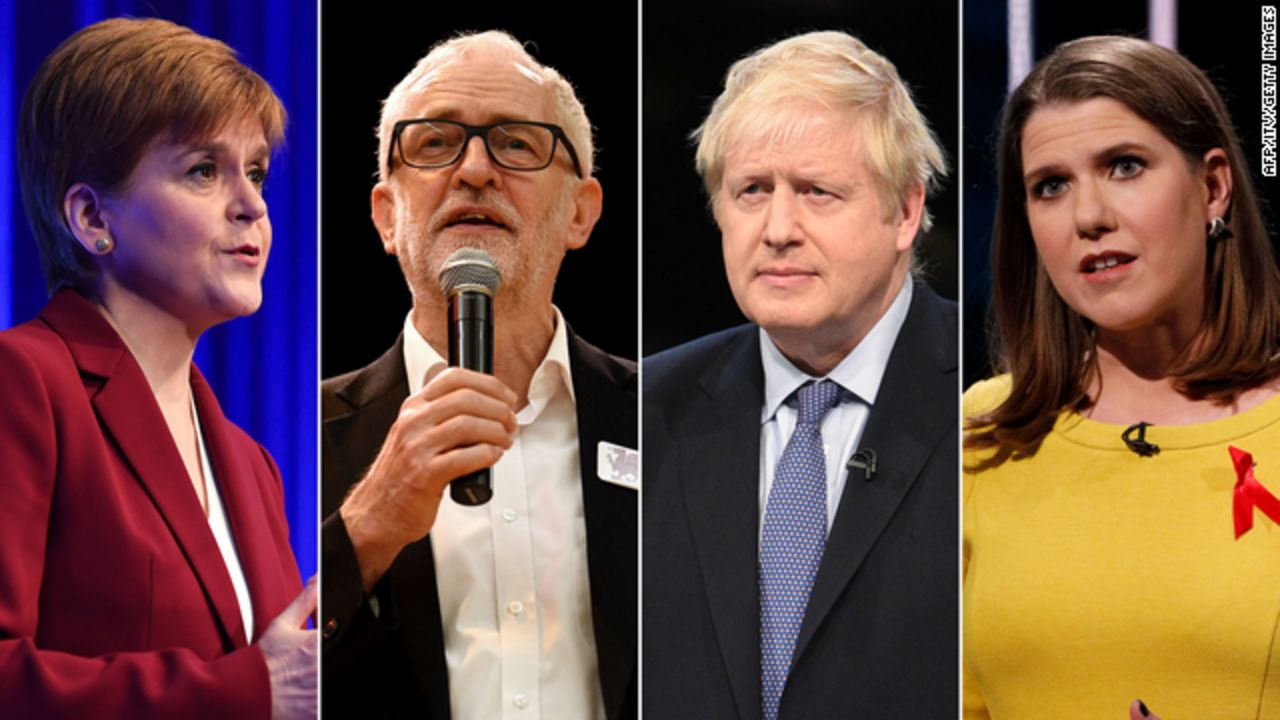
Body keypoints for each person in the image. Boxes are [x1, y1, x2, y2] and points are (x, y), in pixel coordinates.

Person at [1, 17, 316, 719]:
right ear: (90, 217)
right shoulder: (23, 384)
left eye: (257, 171)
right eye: (204, 171)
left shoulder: (253, 464)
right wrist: (251, 690)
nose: (253, 207)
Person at [320, 31, 636, 719]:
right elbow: (239, 664)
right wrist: (367, 527)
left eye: (517, 143)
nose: (473, 170)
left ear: (580, 212)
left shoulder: (672, 420)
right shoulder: (289, 434)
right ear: (385, 217)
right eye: (433, 144)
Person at [643, 30, 958, 718]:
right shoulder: (643, 412)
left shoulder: (997, 386)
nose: (778, 227)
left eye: (816, 191)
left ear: (905, 211)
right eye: (752, 190)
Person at [964, 35, 1280, 720]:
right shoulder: (976, 438)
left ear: (1213, 186)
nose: (1089, 217)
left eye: (1126, 166)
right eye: (1050, 186)